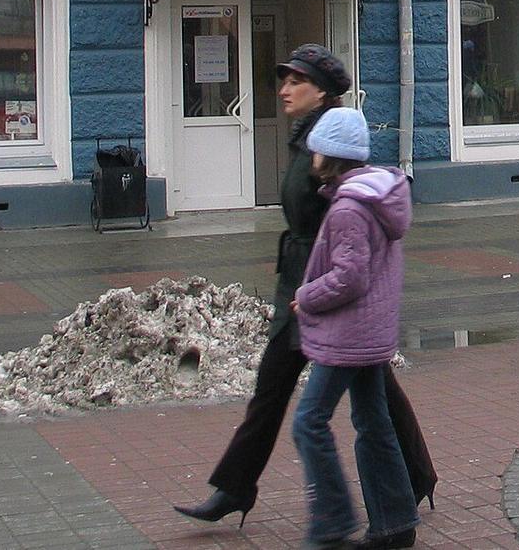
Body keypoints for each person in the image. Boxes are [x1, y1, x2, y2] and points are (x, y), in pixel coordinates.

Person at [173, 44, 433, 529]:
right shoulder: (305, 140)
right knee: (286, 388)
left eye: (297, 82)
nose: (285, 90)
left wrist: (325, 288)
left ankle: (401, 485)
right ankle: (235, 487)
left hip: (324, 289)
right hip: (300, 281)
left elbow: (352, 223)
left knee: (362, 392)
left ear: (323, 93)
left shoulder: (330, 149)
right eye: (285, 80)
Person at [292, 106, 419, 550]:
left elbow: (350, 277)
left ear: (329, 156)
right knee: (373, 421)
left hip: (348, 336)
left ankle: (332, 523)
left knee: (309, 422)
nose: (310, 158)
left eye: (315, 151)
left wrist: (306, 296)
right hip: (372, 332)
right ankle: (395, 522)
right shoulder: (377, 195)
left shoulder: (348, 208)